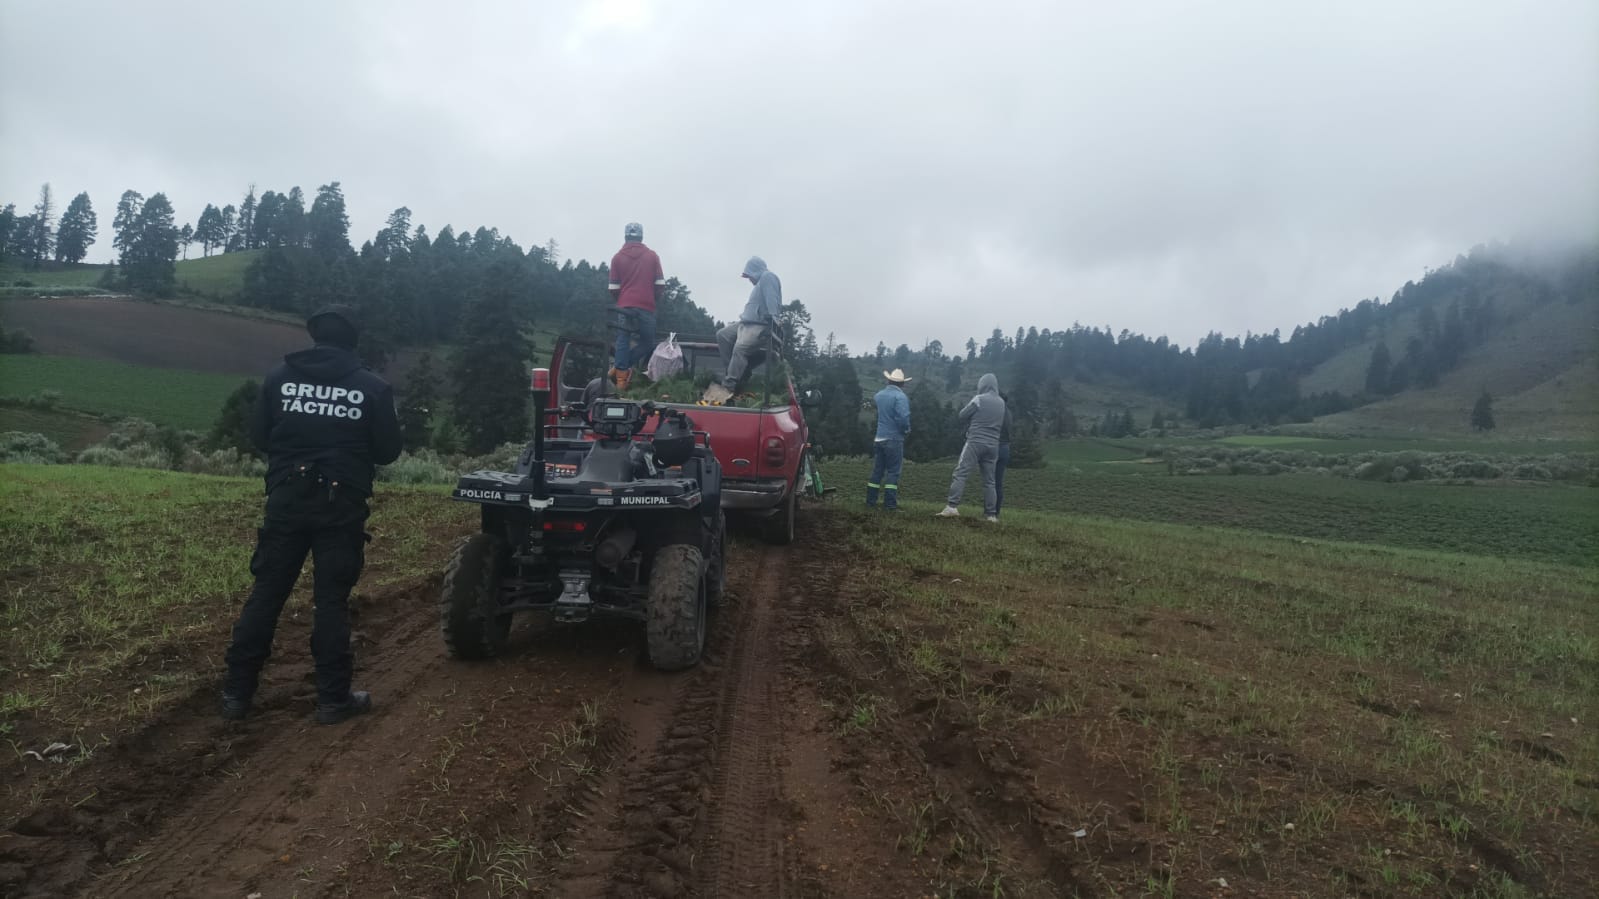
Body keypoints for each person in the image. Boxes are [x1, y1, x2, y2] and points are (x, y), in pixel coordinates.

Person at [220, 305, 403, 725]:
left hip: (286, 499)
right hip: (341, 508)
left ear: (315, 337)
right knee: (331, 603)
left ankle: (235, 695)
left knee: (266, 594)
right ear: (351, 342)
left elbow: (259, 436)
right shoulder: (372, 389)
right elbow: (388, 451)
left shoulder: (278, 379)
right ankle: (333, 700)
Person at [702, 256, 781, 404]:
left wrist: (773, 321)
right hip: (745, 322)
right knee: (722, 335)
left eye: (749, 275)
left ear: (756, 271)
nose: (749, 279)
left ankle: (729, 386)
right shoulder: (759, 282)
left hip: (760, 323)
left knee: (740, 348)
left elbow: (773, 300)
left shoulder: (768, 277)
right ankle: (739, 374)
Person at [936, 373, 1006, 523]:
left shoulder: (979, 399)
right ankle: (991, 515)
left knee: (961, 473)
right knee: (990, 481)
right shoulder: (1001, 402)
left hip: (975, 442)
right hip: (993, 446)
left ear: (983, 385)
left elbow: (962, 415)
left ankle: (952, 506)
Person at [607, 222, 666, 391]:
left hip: (624, 306)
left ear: (626, 237)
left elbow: (613, 288)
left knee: (623, 339)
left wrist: (623, 299)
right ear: (641, 237)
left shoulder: (617, 258)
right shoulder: (652, 256)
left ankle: (620, 373)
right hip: (647, 306)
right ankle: (622, 369)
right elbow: (660, 285)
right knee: (647, 343)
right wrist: (652, 298)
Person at [867, 369, 912, 511]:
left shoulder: (879, 395)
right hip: (894, 438)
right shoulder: (901, 397)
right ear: (903, 384)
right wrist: (906, 430)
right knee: (893, 471)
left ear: (888, 380)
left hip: (879, 437)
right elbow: (903, 418)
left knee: (877, 471)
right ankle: (890, 505)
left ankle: (870, 501)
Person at [994, 392, 1014, 517]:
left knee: (989, 482)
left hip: (995, 446)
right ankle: (995, 513)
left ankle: (989, 512)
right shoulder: (1009, 413)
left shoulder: (997, 411)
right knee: (998, 482)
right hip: (1005, 448)